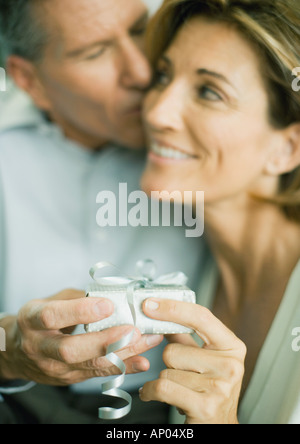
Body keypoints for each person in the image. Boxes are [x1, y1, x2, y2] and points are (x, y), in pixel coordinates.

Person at [0, 0, 201, 424]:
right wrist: (10, 351)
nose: (142, 73)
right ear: (28, 79)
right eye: (95, 53)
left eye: (139, 30)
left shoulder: (214, 146)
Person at [138, 0, 300, 424]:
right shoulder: (187, 268)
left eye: (210, 91)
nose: (156, 112)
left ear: (287, 149)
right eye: (163, 76)